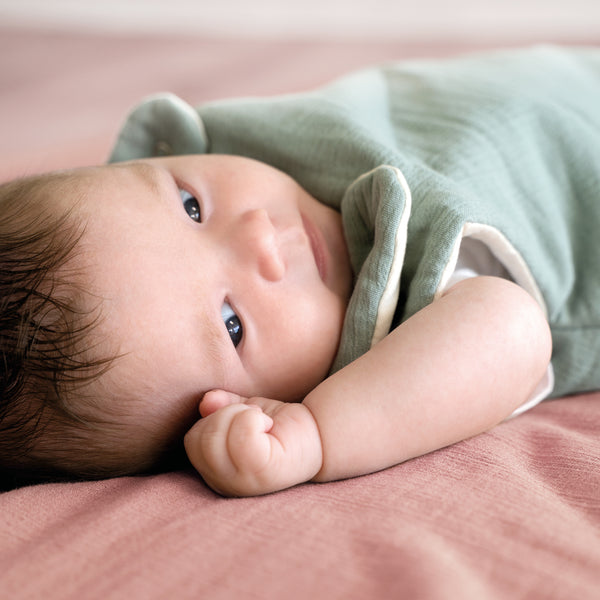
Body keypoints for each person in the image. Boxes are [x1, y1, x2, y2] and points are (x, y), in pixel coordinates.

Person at [1, 46, 598, 496]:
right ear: (242, 407)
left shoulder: (233, 138)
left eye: (191, 206)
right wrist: (318, 433)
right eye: (232, 323)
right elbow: (515, 331)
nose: (259, 236)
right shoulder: (409, 319)